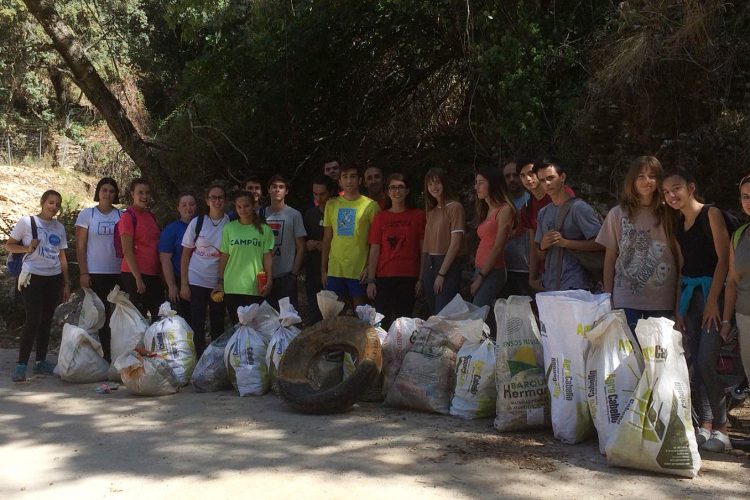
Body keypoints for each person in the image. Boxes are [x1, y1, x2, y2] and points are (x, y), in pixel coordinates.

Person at [663, 167, 730, 452]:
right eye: (665, 192)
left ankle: (723, 428)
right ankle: (705, 426)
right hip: (690, 298)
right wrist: (679, 308)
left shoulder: (710, 214)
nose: (671, 196)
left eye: (676, 188)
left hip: (713, 296)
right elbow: (682, 266)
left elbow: (724, 259)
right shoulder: (677, 223)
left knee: (706, 361)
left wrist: (713, 300)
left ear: (691, 187)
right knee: (694, 364)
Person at [596, 156, 678, 331]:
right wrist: (607, 297)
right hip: (625, 299)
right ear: (632, 180)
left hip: (662, 299)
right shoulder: (617, 214)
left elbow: (679, 258)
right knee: (628, 355)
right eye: (641, 176)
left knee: (657, 356)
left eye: (652, 176)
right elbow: (610, 259)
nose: (646, 181)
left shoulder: (670, 214)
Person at [6, 190, 70, 381]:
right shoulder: (27, 222)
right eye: (51, 202)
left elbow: (62, 255)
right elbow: (9, 245)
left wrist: (67, 283)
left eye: (58, 204)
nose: (54, 207)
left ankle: (40, 362)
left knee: (46, 319)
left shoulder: (59, 227)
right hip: (31, 276)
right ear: (43, 202)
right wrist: (27, 248)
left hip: (54, 277)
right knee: (33, 318)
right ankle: (21, 365)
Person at [365, 173, 425, 330]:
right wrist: (371, 280)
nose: (396, 191)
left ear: (408, 190)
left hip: (409, 277)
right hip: (384, 277)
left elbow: (423, 249)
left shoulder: (418, 216)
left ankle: (402, 355)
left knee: (404, 325)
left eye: (400, 187)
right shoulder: (380, 217)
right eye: (393, 187)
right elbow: (375, 249)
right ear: (387, 191)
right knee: (380, 324)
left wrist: (421, 278)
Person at [534, 161, 604, 291]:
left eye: (550, 178)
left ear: (562, 177)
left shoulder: (579, 208)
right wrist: (542, 246)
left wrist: (566, 243)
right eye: (542, 180)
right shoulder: (543, 213)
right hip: (551, 285)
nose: (547, 184)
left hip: (578, 283)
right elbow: (539, 255)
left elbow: (602, 243)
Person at [75, 177, 122, 362]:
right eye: (104, 190)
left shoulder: (121, 215)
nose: (108, 194)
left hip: (118, 272)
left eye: (111, 191)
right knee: (100, 315)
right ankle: (102, 357)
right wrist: (84, 272)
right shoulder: (88, 215)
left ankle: (117, 354)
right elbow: (80, 246)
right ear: (98, 192)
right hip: (95, 271)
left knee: (117, 316)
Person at [180, 184, 229, 358]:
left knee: (218, 324)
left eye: (220, 197)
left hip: (218, 282)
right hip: (196, 280)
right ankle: (199, 360)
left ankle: (215, 363)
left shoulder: (230, 224)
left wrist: (222, 281)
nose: (217, 201)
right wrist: (184, 284)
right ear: (207, 200)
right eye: (213, 197)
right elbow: (185, 255)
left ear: (225, 200)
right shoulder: (198, 222)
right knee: (197, 322)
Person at [322, 163, 379, 307]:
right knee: (335, 312)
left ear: (360, 180)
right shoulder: (331, 204)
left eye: (353, 176)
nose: (349, 181)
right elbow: (327, 238)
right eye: (345, 177)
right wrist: (323, 269)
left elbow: (376, 243)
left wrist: (369, 268)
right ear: (339, 181)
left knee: (361, 312)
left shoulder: (371, 206)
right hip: (335, 268)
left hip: (358, 270)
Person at [214, 191, 274, 324]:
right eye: (239, 207)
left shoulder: (265, 230)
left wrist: (269, 281)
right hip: (232, 287)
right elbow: (224, 256)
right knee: (238, 328)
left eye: (246, 206)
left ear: (253, 206)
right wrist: (220, 281)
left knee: (255, 329)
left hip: (255, 287)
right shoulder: (229, 228)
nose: (242, 210)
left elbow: (268, 258)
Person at [517, 159, 575, 292]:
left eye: (531, 173)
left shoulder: (562, 195)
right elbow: (533, 244)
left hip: (569, 269)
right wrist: (532, 278)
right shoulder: (527, 207)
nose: (528, 179)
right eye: (522, 175)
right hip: (545, 273)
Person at [722, 174, 750, 429]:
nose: (749, 201)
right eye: (745, 196)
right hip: (744, 316)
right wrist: (726, 321)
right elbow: (731, 281)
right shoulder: (739, 234)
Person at [471, 166, 516, 319]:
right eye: (476, 182)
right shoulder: (486, 209)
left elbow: (498, 247)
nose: (476, 187)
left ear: (493, 184)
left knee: (477, 315)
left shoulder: (505, 210)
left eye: (481, 182)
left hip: (492, 271)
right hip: (480, 268)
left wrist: (481, 277)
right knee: (484, 316)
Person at [421, 167, 467, 315]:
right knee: (433, 312)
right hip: (429, 265)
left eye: (437, 183)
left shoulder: (455, 208)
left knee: (443, 313)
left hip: (447, 264)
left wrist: (441, 274)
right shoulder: (431, 212)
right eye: (430, 184)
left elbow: (455, 244)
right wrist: (421, 276)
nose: (434, 187)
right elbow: (426, 247)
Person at [118, 178, 162, 321]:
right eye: (140, 193)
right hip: (134, 274)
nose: (144, 196)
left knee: (158, 314)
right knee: (138, 319)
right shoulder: (128, 216)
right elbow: (127, 249)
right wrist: (138, 278)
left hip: (153, 274)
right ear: (132, 194)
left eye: (147, 193)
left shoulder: (151, 216)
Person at [261, 175, 306, 309]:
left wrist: (293, 274)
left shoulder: (294, 215)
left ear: (286, 191)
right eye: (274, 187)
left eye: (281, 187)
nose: (277, 190)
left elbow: (301, 247)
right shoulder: (260, 214)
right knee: (267, 320)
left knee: (289, 320)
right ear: (268, 190)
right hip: (264, 275)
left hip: (286, 275)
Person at [304, 175, 338, 323]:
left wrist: (323, 245)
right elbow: (301, 241)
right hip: (313, 271)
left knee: (334, 317)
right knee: (315, 316)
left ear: (330, 192)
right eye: (315, 194)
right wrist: (308, 244)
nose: (318, 197)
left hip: (335, 270)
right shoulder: (310, 214)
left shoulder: (340, 212)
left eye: (322, 193)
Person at [159, 193, 197, 320]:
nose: (188, 208)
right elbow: (165, 259)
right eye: (184, 205)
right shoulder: (171, 230)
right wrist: (172, 286)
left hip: (199, 280)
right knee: (183, 319)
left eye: (191, 204)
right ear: (178, 208)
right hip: (179, 280)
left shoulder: (202, 226)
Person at [500, 161, 531, 297]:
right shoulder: (499, 203)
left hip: (527, 268)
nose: (512, 179)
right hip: (502, 267)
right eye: (507, 176)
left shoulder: (531, 201)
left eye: (515, 175)